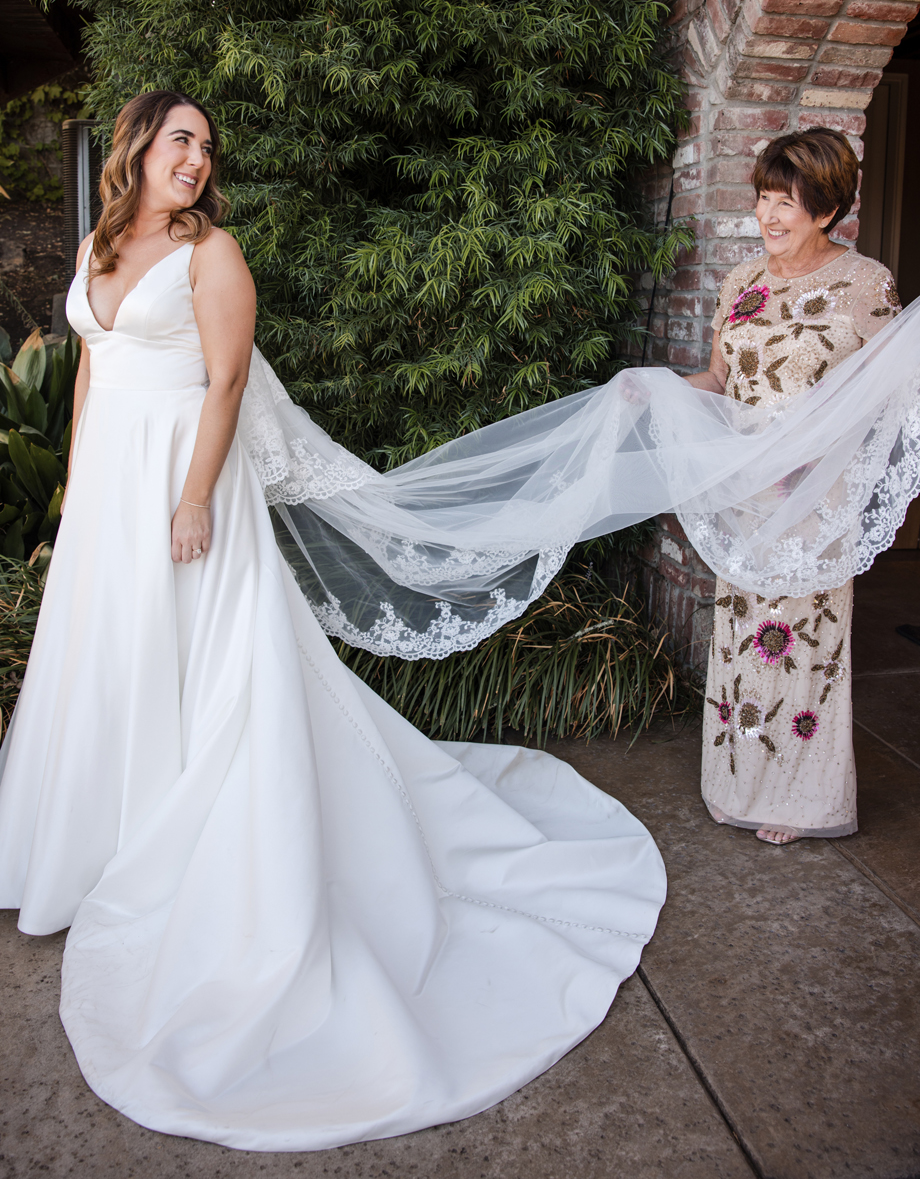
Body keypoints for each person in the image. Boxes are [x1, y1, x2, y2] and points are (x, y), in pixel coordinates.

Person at [0, 91, 667, 1152]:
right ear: (138, 145)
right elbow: (90, 371)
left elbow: (225, 384)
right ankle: (94, 849)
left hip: (184, 484)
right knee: (108, 663)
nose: (197, 158)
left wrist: (192, 499)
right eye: (181, 140)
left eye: (207, 147)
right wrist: (77, 491)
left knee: (201, 666)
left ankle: (184, 856)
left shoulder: (211, 253)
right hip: (108, 499)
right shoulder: (95, 247)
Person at [684, 128, 902, 845]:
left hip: (815, 497)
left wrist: (818, 456)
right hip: (746, 493)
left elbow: (887, 399)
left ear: (827, 209)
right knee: (742, 640)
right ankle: (736, 784)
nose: (768, 216)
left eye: (787, 202)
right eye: (763, 198)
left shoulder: (866, 284)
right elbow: (719, 379)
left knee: (802, 646)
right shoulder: (741, 282)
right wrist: (658, 390)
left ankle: (804, 801)